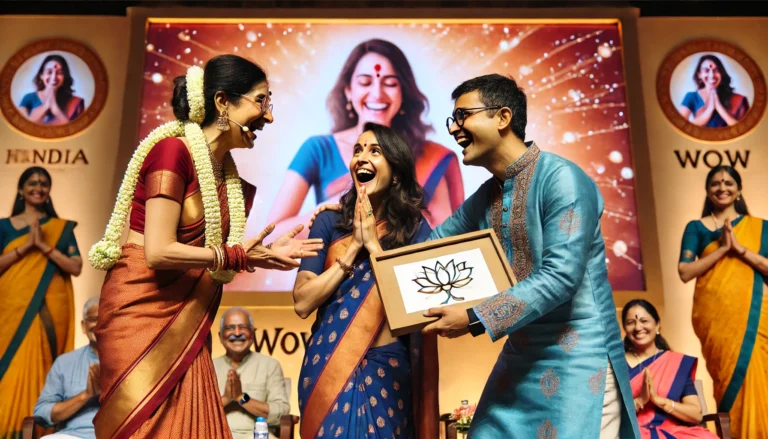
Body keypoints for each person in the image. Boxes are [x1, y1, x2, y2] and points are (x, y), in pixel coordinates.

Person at [88, 55, 323, 439]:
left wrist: (260, 254)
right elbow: (158, 252)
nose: (269, 116)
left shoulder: (226, 176)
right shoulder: (172, 152)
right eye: (261, 101)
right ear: (222, 102)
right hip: (140, 314)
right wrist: (239, 255)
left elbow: (219, 255)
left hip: (187, 321)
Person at [418, 74, 640, 438]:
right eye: (452, 120)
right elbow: (430, 248)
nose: (454, 129)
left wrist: (474, 317)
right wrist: (359, 229)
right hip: (520, 357)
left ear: (503, 117)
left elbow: (561, 277)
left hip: (578, 359)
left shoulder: (563, 179)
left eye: (463, 116)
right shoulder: (488, 195)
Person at [294, 123, 439, 438]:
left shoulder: (414, 229)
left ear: (396, 173)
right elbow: (303, 302)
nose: (361, 157)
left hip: (388, 371)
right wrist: (353, 249)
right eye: (357, 150)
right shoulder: (328, 221)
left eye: (375, 151)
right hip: (328, 366)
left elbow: (415, 308)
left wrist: (373, 246)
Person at [267, 38, 463, 238]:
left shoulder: (430, 158)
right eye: (365, 82)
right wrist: (341, 202)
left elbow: (449, 240)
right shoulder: (318, 150)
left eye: (390, 83)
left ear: (403, 93)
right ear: (348, 92)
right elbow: (271, 237)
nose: (377, 93)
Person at [678, 165, 767, 438]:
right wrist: (723, 249)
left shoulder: (760, 228)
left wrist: (740, 249)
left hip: (754, 316)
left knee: (757, 379)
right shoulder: (696, 227)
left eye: (729, 182)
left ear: (739, 189)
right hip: (716, 319)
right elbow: (685, 271)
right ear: (707, 190)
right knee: (728, 381)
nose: (722, 188)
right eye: (715, 183)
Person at [0, 166, 82, 438]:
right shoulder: (3, 226)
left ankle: (37, 429)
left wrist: (44, 246)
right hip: (10, 307)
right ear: (21, 189)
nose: (38, 187)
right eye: (32, 183)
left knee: (44, 362)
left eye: (44, 183)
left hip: (50, 308)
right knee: (8, 363)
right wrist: (27, 246)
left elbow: (75, 266)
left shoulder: (60, 229)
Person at [622, 299, 717, 439]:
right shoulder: (615, 365)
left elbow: (696, 415)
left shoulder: (677, 363)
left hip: (673, 432)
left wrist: (660, 401)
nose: (638, 327)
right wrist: (639, 401)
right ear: (625, 328)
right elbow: (602, 409)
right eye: (631, 322)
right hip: (631, 432)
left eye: (644, 321)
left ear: (657, 325)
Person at [213, 307, 290, 439]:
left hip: (258, 435)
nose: (237, 333)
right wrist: (226, 398)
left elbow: (281, 412)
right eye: (230, 328)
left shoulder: (270, 365)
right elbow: (195, 414)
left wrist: (242, 398)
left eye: (243, 327)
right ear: (220, 336)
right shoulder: (209, 367)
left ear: (252, 334)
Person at [32, 296, 102, 439]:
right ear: (83, 326)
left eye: (105, 319)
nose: (99, 324)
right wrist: (86, 395)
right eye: (94, 319)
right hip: (73, 435)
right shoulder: (65, 363)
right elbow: (42, 411)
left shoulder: (129, 360)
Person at [678, 54, 750, 128]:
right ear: (699, 74)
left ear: (721, 74)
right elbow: (682, 126)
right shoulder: (691, 97)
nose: (711, 75)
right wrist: (710, 109)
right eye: (706, 70)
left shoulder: (738, 99)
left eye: (716, 70)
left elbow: (743, 128)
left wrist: (719, 107)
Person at [18, 54, 86, 125]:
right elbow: (24, 125)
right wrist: (46, 105)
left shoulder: (75, 102)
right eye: (49, 72)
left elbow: (74, 129)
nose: (53, 77)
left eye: (59, 73)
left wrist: (55, 108)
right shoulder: (28, 98)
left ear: (65, 77)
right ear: (41, 76)